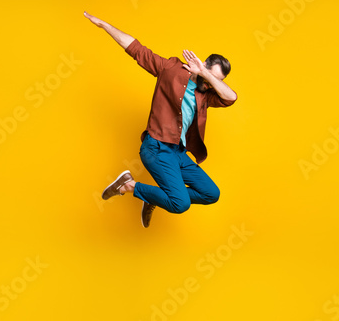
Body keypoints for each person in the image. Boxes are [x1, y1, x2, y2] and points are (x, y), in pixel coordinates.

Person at [84, 11, 238, 228]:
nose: (211, 84)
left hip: (178, 153)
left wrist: (207, 75)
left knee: (211, 193)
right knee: (180, 203)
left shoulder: (206, 92)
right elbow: (137, 50)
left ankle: (153, 197)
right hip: (155, 148)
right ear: (202, 63)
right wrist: (104, 25)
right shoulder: (171, 70)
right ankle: (130, 186)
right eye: (210, 77)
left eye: (216, 80)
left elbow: (231, 97)